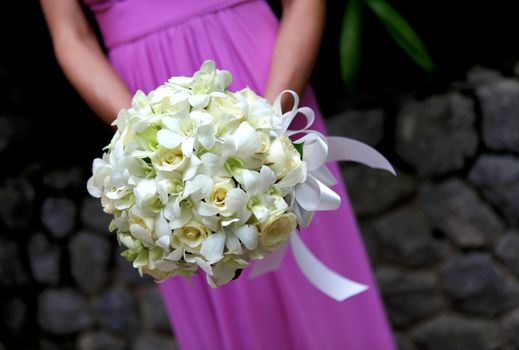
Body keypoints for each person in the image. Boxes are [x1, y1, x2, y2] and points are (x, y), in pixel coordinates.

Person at [40, 0, 396, 349]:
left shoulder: (270, 113)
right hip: (149, 108)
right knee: (218, 272)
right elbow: (72, 37)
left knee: (317, 294)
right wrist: (144, 133)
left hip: (261, 82)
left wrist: (268, 126)